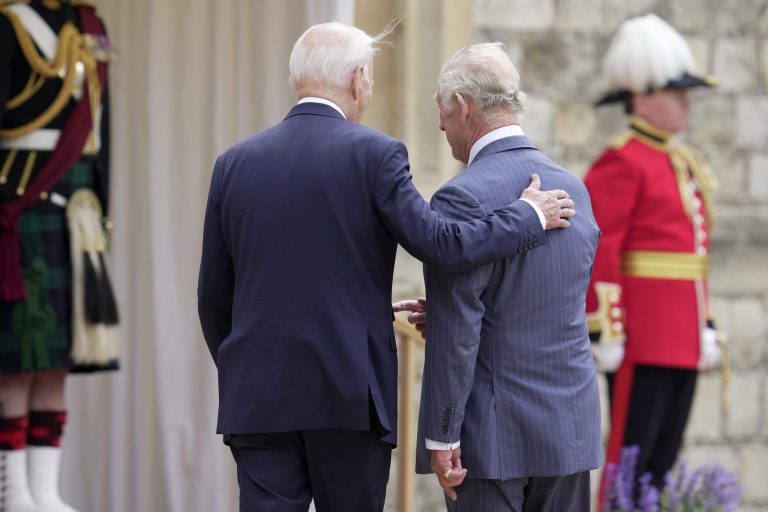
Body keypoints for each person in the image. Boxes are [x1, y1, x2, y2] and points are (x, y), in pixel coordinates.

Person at [197, 22, 578, 512]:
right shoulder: (375, 154)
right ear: (358, 78)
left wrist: (243, 365)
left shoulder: (233, 163)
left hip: (259, 396)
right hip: (349, 394)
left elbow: (212, 295)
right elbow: (441, 243)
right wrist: (527, 215)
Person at [414, 43, 603, 511]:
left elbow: (462, 331)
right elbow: (542, 305)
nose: (440, 125)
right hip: (570, 431)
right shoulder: (574, 187)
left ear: (461, 105)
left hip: (494, 437)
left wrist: (442, 434)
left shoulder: (459, 197)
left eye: (442, 110)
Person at [584, 13, 721, 493]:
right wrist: (608, 329)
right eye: (675, 92)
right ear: (641, 97)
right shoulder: (622, 160)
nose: (687, 102)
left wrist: (705, 323)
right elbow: (601, 248)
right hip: (641, 337)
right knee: (629, 465)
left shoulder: (679, 161)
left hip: (681, 336)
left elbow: (693, 256)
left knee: (659, 469)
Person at [0, 0, 116, 510]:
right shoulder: (9, 25)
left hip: (77, 210)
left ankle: (45, 492)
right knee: (18, 359)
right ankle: (13, 491)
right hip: (21, 202)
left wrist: (101, 209)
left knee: (57, 360)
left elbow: (99, 133)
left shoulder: (89, 24)